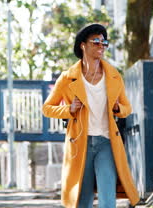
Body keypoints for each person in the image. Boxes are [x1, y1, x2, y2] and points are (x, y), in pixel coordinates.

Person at [42, 24, 139, 208]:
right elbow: (47, 108)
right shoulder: (67, 78)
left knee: (107, 197)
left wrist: (118, 108)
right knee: (82, 197)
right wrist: (69, 110)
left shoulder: (113, 76)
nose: (101, 46)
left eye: (104, 43)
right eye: (96, 42)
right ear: (83, 45)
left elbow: (128, 107)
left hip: (106, 142)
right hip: (80, 143)